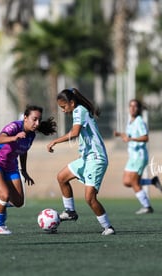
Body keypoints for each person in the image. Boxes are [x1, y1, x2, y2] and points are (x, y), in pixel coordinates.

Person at [46, 88, 115, 235]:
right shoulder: (79, 110)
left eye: (64, 107)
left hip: (96, 158)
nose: (63, 111)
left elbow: (75, 133)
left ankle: (108, 227)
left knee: (90, 198)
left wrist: (56, 141)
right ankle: (70, 211)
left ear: (72, 103)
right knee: (62, 177)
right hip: (86, 159)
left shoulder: (79, 111)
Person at [0, 105, 56, 235]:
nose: (37, 123)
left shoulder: (31, 135)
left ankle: (1, 201)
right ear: (25, 118)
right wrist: (13, 137)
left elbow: (23, 151)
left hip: (11, 165)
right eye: (34, 119)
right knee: (4, 194)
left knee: (18, 202)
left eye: (39, 120)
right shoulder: (15, 127)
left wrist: (24, 170)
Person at [114, 99, 162, 215]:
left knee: (134, 182)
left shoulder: (139, 121)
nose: (132, 108)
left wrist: (130, 139)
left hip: (139, 156)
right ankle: (152, 181)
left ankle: (147, 207)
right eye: (130, 106)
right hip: (132, 157)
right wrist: (120, 134)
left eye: (135, 106)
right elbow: (129, 135)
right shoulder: (130, 121)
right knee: (126, 182)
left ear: (139, 109)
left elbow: (145, 138)